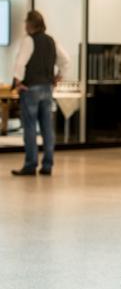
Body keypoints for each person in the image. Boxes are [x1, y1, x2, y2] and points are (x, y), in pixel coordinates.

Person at [10, 10, 69, 176]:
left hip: (31, 89)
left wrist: (18, 82)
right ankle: (47, 165)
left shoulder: (29, 40)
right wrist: (58, 77)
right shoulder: (52, 41)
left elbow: (20, 62)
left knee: (29, 127)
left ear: (30, 24)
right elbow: (66, 60)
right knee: (47, 128)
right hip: (47, 88)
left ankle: (30, 164)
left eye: (26, 23)